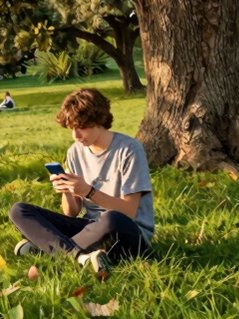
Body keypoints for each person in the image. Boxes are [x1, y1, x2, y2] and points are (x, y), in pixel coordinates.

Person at [8, 88, 154, 276]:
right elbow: (72, 212)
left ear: (99, 121)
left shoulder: (129, 150)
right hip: (88, 227)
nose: (76, 136)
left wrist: (89, 192)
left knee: (112, 219)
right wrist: (67, 190)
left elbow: (129, 212)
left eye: (81, 127)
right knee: (19, 210)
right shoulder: (75, 152)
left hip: (127, 231)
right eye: (72, 129)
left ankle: (48, 247)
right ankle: (80, 257)